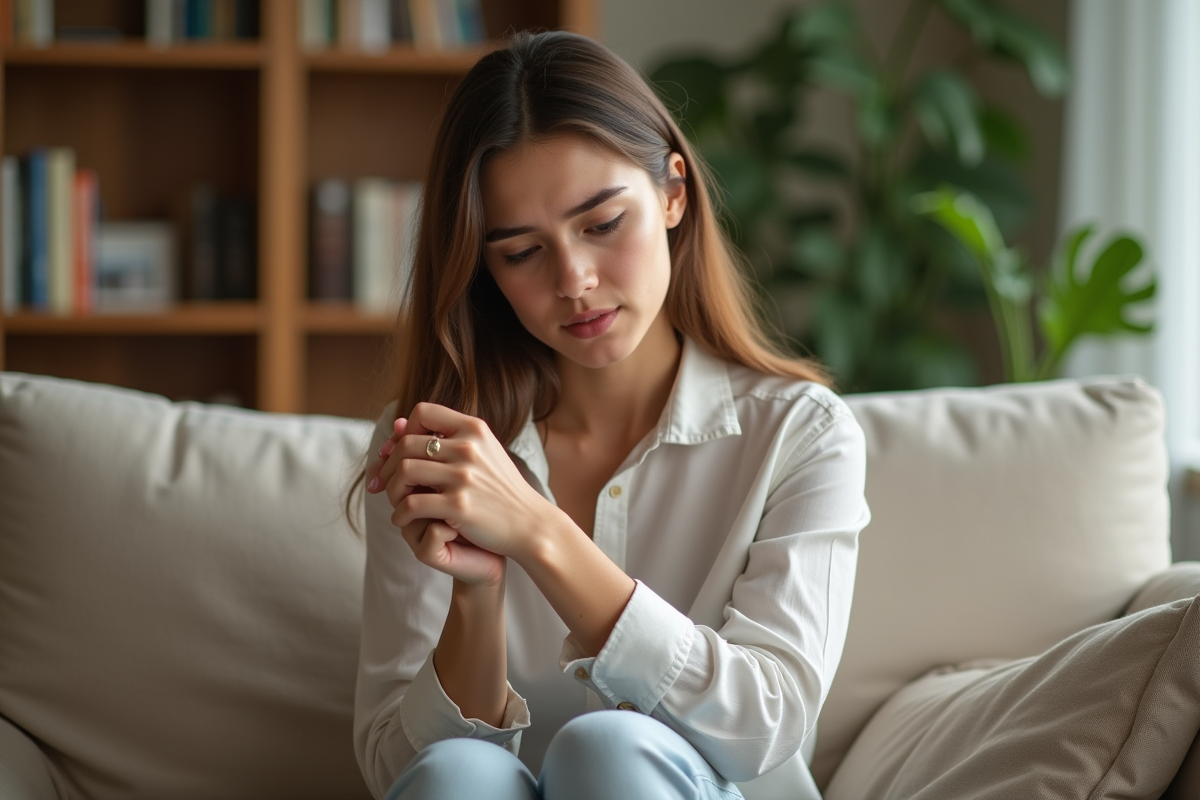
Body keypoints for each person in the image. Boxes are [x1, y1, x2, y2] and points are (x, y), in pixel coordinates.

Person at [353, 29, 870, 800]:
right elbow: (399, 771)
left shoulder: (801, 433)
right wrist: (476, 592)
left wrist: (539, 531)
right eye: (522, 252)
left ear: (673, 193)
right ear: (484, 269)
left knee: (612, 751)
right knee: (459, 772)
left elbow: (769, 721)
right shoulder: (439, 445)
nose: (575, 279)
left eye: (601, 224)